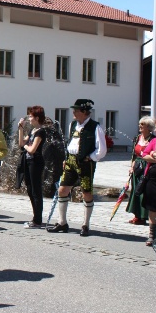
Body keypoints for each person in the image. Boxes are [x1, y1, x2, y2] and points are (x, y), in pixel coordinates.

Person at [48, 99, 107, 236]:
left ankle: (85, 224)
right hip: (71, 162)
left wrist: (90, 158)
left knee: (86, 192)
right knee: (62, 190)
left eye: (76, 110)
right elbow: (71, 143)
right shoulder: (73, 124)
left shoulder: (95, 127)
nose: (73, 112)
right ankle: (62, 222)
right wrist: (67, 158)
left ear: (84, 112)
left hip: (85, 163)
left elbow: (102, 149)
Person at [18, 106, 47, 228]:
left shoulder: (40, 131)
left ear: (37, 117)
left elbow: (32, 149)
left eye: (30, 116)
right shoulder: (32, 131)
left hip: (36, 162)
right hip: (28, 162)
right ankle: (35, 217)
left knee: (36, 191)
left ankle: (38, 220)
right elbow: (21, 143)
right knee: (30, 189)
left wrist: (25, 147)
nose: (29, 118)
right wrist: (20, 128)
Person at [127, 116, 155, 225]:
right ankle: (137, 215)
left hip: (148, 166)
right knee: (136, 190)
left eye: (142, 125)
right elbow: (134, 155)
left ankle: (144, 215)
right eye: (140, 124)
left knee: (145, 191)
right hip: (137, 166)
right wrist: (131, 167)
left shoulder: (153, 139)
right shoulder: (138, 138)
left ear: (148, 127)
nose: (140, 127)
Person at [140, 119, 156, 247]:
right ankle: (152, 235)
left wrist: (154, 155)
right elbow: (145, 155)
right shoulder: (154, 141)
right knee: (153, 207)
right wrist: (155, 156)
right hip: (153, 179)